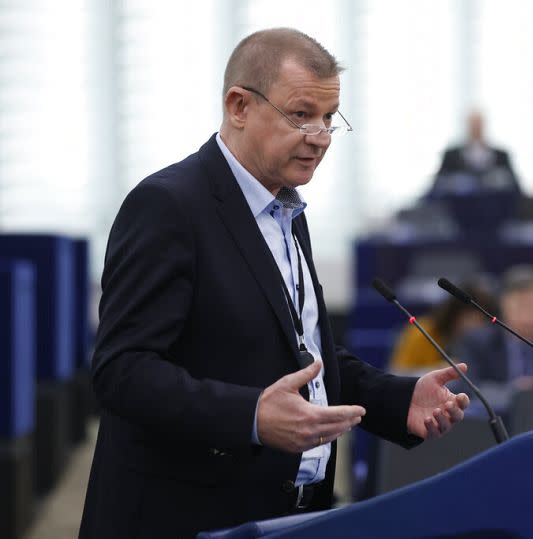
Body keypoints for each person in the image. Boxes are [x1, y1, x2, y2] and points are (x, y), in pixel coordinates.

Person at [79, 28, 470, 538]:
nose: (320, 137)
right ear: (239, 106)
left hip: (289, 516)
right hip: (187, 517)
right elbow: (122, 371)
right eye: (301, 115)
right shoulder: (168, 207)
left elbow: (305, 357)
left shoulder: (287, 211)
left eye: (330, 118)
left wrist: (398, 400)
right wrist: (251, 417)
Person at [452, 266, 533, 410]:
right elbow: (467, 391)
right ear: (504, 306)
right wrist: (514, 393)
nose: (529, 317)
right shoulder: (476, 342)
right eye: (522, 307)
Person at [389, 283, 496, 372]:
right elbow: (397, 374)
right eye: (472, 320)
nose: (477, 327)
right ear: (454, 315)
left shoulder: (486, 343)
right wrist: (436, 370)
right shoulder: (423, 332)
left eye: (482, 322)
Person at [430, 110, 520, 195]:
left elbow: (516, 188)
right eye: (473, 125)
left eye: (478, 125)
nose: (476, 128)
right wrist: (454, 183)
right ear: (467, 126)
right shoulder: (451, 156)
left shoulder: (501, 156)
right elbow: (437, 187)